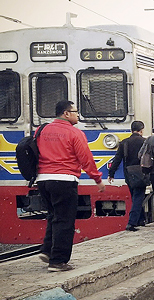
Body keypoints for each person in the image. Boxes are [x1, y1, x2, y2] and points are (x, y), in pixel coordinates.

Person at [37, 100, 106, 272]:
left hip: (42, 180)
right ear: (66, 114)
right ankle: (58, 261)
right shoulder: (74, 133)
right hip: (64, 179)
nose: (77, 115)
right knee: (65, 220)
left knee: (54, 215)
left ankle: (47, 250)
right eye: (75, 112)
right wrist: (97, 179)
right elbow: (86, 159)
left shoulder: (41, 130)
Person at [108, 121, 147, 231]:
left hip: (128, 174)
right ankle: (132, 223)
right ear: (141, 130)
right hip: (141, 172)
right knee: (139, 197)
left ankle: (141, 220)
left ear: (131, 130)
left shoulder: (124, 143)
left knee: (135, 197)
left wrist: (111, 173)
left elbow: (117, 159)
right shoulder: (145, 142)